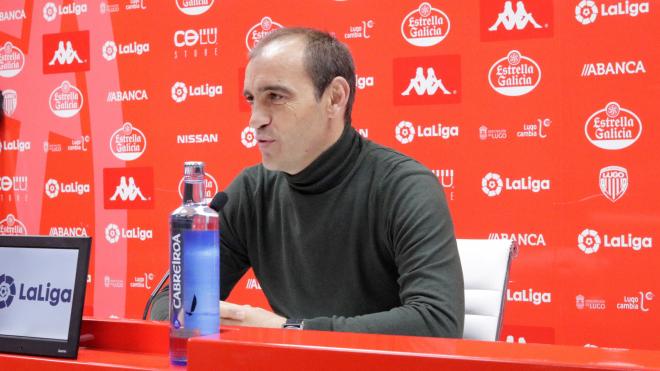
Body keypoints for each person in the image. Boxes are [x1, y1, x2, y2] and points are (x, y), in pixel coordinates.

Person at [218, 28, 464, 338]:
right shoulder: (250, 192)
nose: (255, 119)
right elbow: (168, 304)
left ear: (335, 98)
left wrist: (290, 330)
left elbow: (437, 322)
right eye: (252, 99)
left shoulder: (404, 187)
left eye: (276, 97)